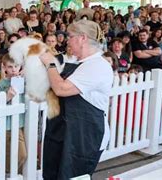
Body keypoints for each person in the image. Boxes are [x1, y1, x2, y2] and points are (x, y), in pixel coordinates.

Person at [38, 19, 113, 179]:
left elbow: (61, 89)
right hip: (62, 132)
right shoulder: (75, 62)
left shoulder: (97, 65)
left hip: (84, 136)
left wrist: (50, 65)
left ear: (82, 38)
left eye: (71, 36)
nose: (67, 40)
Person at [0, 54, 26, 172]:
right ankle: (7, 173)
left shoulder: (23, 81)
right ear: (4, 68)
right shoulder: (0, 84)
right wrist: (7, 96)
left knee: (17, 154)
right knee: (20, 154)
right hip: (9, 125)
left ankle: (10, 173)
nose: (14, 70)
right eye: (10, 67)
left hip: (22, 122)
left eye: (16, 66)